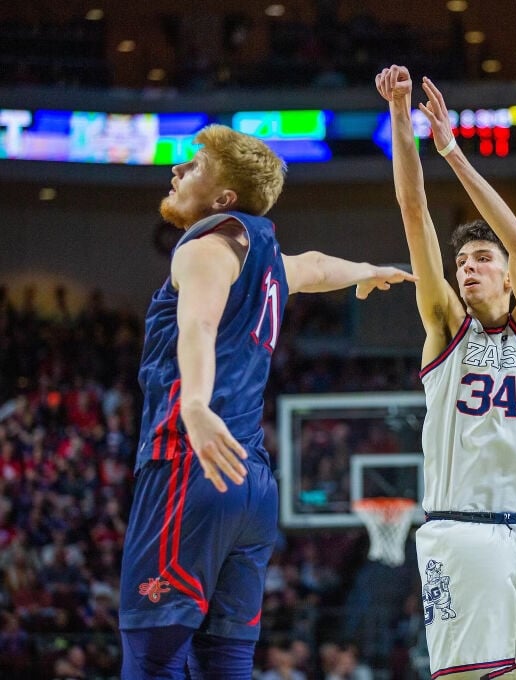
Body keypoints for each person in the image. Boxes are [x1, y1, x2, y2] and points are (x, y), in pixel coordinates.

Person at [118, 124, 415, 679]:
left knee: (151, 655)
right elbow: (318, 266)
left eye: (195, 166)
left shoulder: (205, 248)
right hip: (251, 486)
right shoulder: (265, 254)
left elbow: (199, 326)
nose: (177, 171)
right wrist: (366, 272)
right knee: (225, 660)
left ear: (224, 198)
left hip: (193, 462)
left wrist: (196, 406)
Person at [376, 65, 516, 678]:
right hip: (462, 534)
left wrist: (454, 152)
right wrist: (402, 116)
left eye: (481, 259)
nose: (468, 267)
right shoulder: (445, 325)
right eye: (462, 260)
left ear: (508, 277)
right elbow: (414, 212)